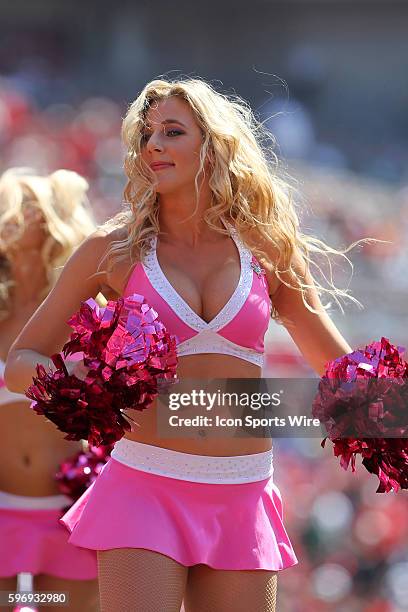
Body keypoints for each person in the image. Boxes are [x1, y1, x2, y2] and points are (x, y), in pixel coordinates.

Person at [5, 78, 366, 612]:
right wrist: (83, 386)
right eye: (146, 135)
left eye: (172, 131)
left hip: (242, 493)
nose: (153, 145)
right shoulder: (115, 249)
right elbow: (20, 361)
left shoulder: (265, 249)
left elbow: (335, 363)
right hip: (144, 482)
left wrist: (391, 406)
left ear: (214, 145)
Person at [0, 168, 99, 611]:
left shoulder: (80, 310)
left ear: (52, 220)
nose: (11, 215)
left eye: (27, 205)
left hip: (69, 516)